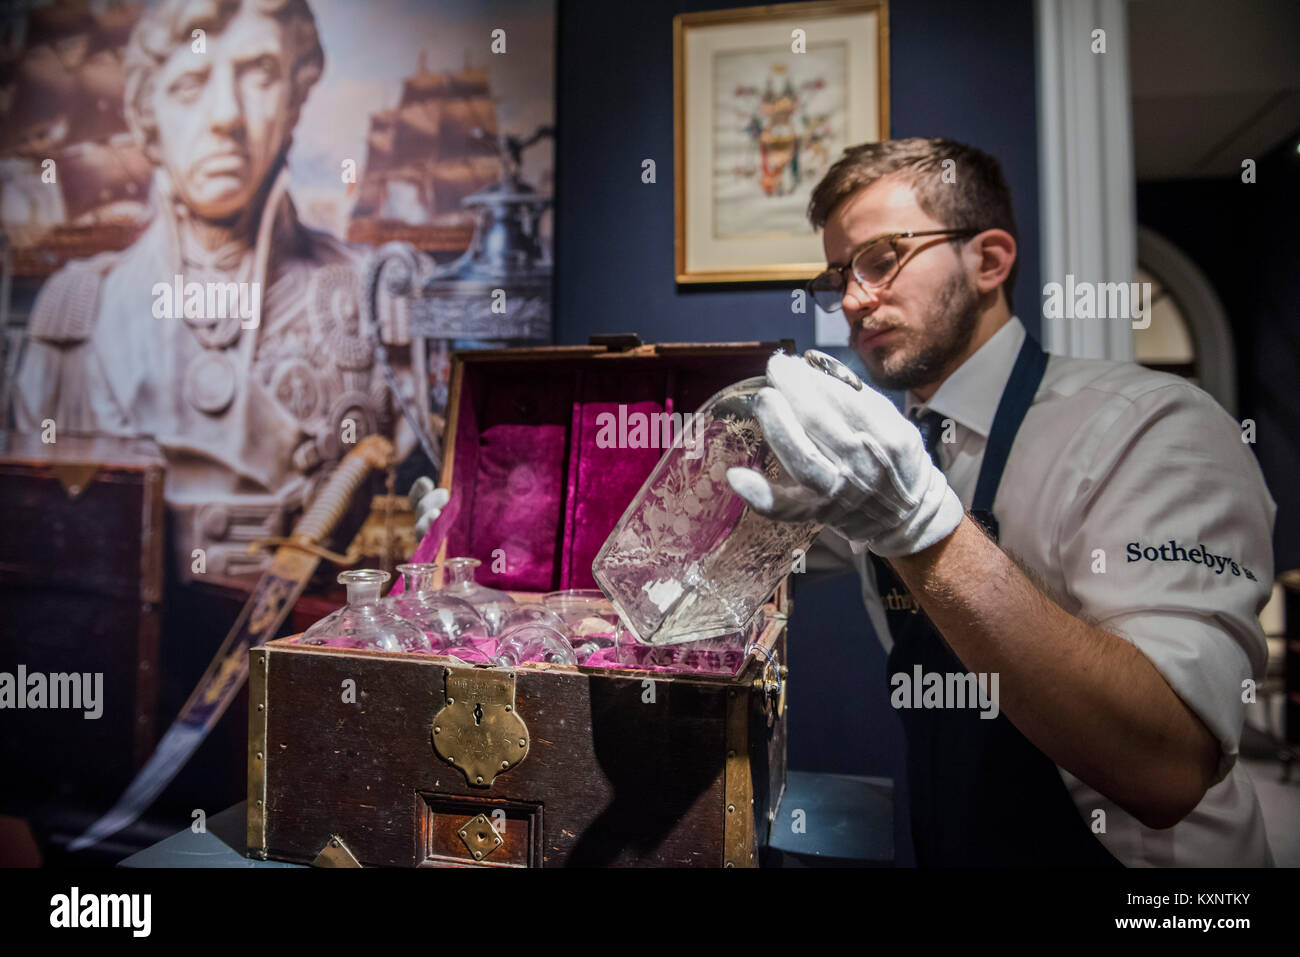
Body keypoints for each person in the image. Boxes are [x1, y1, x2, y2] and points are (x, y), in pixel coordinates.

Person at [724, 137, 1275, 867]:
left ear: (988, 260)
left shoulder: (1155, 425)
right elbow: (782, 546)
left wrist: (925, 532)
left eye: (882, 258)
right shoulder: (895, 450)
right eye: (839, 274)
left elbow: (1167, 767)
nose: (853, 298)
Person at [9, 0, 418, 588]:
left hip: (313, 654)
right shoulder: (76, 311)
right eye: (190, 84)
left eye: (258, 74)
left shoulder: (378, 295)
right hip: (130, 658)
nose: (226, 115)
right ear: (148, 115)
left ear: (295, 98)